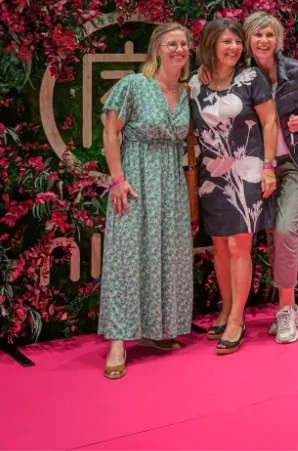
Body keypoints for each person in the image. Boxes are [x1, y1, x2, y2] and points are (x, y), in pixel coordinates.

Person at [201, 11, 298, 344]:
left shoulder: (297, 71)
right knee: (269, 234)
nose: (263, 41)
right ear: (247, 40)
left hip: (297, 163)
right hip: (253, 167)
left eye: (269, 35)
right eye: (256, 35)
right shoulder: (241, 75)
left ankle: (286, 310)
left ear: (278, 39)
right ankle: (273, 306)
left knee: (285, 229)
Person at [99, 22, 194, 379]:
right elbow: (110, 132)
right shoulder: (134, 85)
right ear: (157, 49)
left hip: (170, 183)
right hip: (135, 180)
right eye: (172, 43)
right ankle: (119, 342)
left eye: (184, 44)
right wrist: (118, 179)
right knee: (128, 257)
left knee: (166, 256)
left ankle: (155, 332)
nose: (179, 49)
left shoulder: (184, 92)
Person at [189, 17, 278, 355]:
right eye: (226, 41)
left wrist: (269, 166)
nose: (234, 48)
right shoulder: (198, 82)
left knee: (241, 247)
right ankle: (226, 308)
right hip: (213, 173)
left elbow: (270, 121)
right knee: (220, 247)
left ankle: (237, 318)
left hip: (248, 171)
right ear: (210, 44)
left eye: (237, 42)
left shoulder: (251, 78)